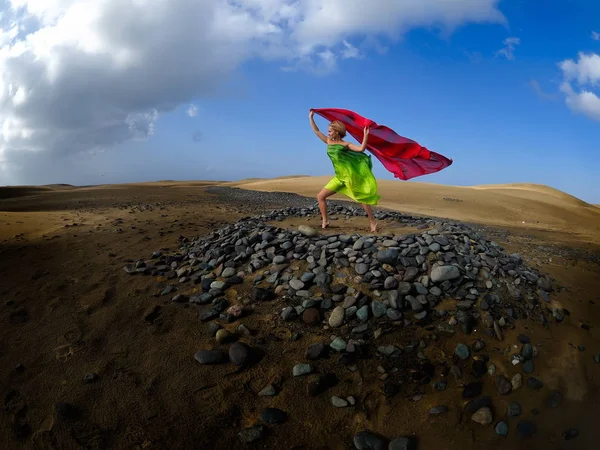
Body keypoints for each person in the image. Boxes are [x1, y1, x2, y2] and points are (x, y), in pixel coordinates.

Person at [309, 109, 381, 232]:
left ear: (337, 132)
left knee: (361, 198)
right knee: (320, 196)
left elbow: (361, 149)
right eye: (328, 131)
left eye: (330, 131)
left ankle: (372, 222)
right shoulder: (328, 141)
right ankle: (325, 220)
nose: (328, 133)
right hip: (339, 177)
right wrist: (311, 117)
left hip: (348, 177)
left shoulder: (345, 144)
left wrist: (366, 135)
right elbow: (316, 131)